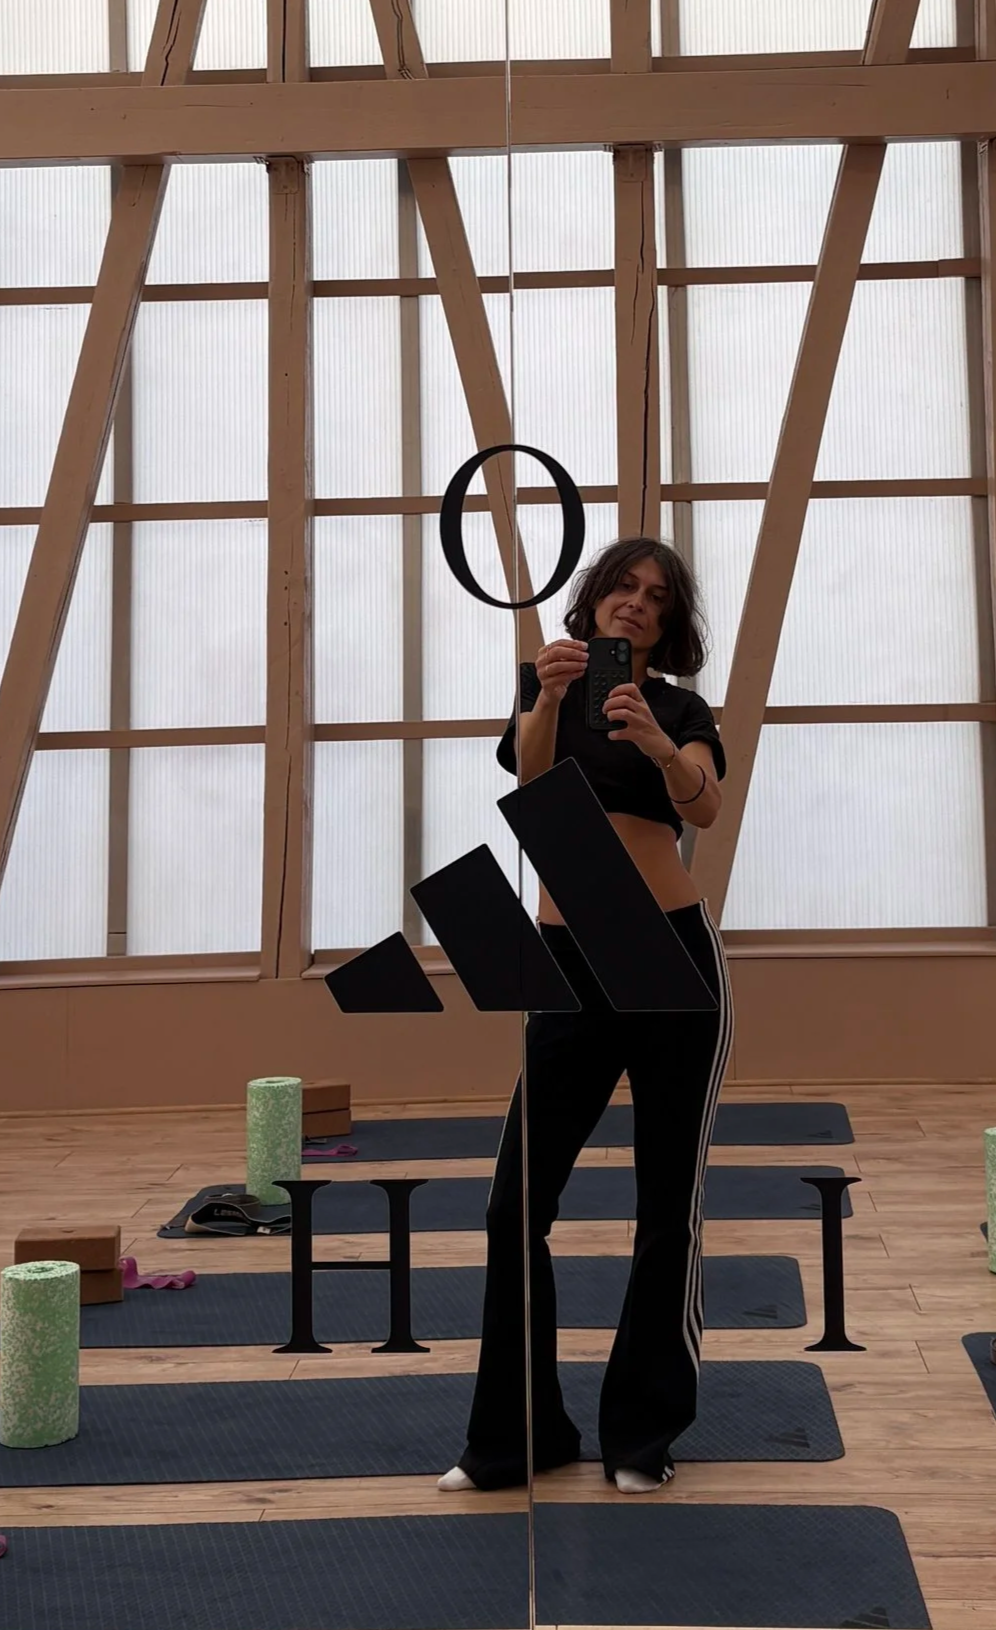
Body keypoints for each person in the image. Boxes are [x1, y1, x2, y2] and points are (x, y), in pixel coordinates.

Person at [440, 536, 729, 1496]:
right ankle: (518, 1436)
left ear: (667, 619)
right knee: (514, 1204)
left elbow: (707, 804)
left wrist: (651, 738)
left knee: (665, 1206)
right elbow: (527, 779)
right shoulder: (544, 685)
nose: (636, 604)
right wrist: (550, 698)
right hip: (568, 956)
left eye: (654, 596)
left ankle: (640, 1437)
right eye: (622, 588)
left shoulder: (681, 708)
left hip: (669, 955)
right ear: (594, 599)